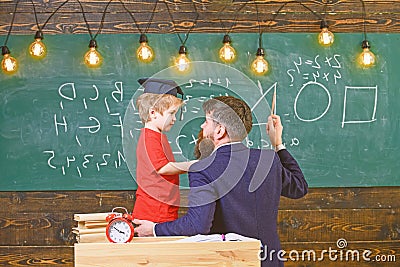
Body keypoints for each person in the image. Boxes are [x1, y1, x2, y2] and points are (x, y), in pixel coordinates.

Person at [134, 96, 308, 266]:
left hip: (229, 260)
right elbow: (299, 187)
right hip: (270, 259)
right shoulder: (269, 159)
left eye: (207, 121)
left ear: (220, 131)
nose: (202, 126)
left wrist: (154, 229)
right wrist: (277, 143)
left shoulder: (203, 168)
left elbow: (197, 225)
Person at [133, 78, 197, 223]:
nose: (174, 119)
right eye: (171, 113)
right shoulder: (149, 138)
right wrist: (193, 165)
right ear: (153, 113)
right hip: (154, 211)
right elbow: (162, 168)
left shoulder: (158, 136)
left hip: (163, 206)